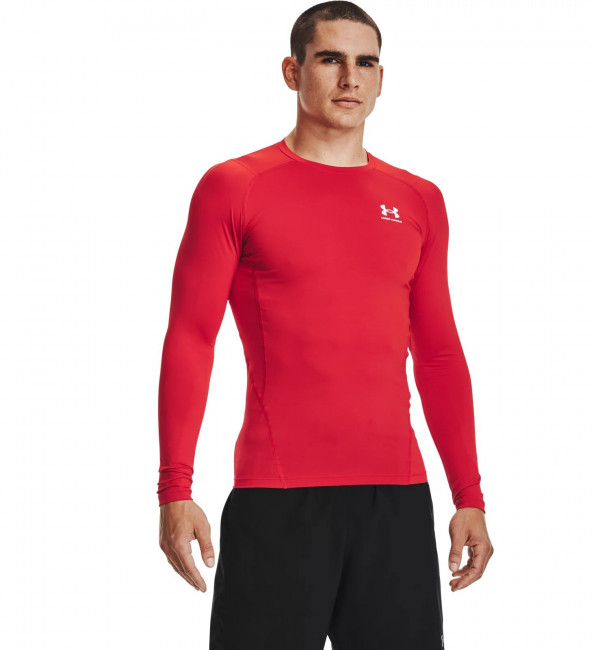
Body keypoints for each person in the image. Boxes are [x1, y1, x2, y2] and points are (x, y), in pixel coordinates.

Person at [157, 2, 494, 648]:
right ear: (292, 71)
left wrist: (468, 496)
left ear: (381, 78)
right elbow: (191, 338)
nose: (349, 78)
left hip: (396, 501)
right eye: (330, 59)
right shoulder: (235, 187)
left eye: (365, 62)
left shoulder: (419, 199)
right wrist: (176, 486)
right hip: (278, 498)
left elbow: (439, 355)